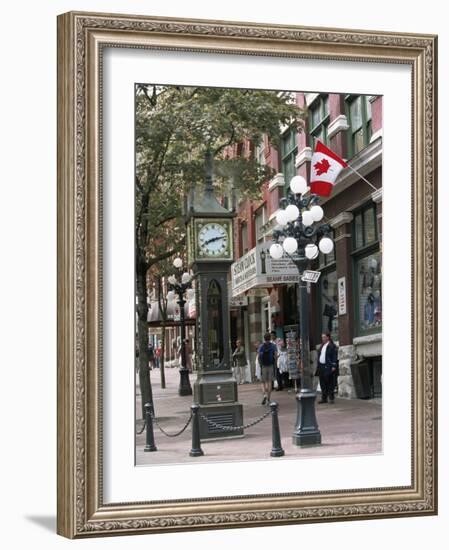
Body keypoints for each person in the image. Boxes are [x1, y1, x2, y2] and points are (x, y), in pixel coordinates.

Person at [315, 332, 338, 403]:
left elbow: (334, 356)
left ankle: (331, 398)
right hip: (321, 366)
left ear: (328, 337)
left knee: (330, 382)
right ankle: (324, 398)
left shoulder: (332, 346)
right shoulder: (322, 346)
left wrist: (334, 365)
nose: (323, 338)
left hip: (328, 366)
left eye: (324, 337)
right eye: (322, 337)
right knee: (322, 382)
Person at [258, 333, 278, 405]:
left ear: (264, 338)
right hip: (271, 365)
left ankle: (264, 395)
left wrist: (260, 365)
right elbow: (275, 356)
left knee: (263, 382)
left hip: (263, 366)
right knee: (269, 382)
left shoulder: (261, 346)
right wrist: (275, 363)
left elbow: (259, 357)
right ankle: (268, 399)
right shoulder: (273, 346)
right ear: (270, 338)